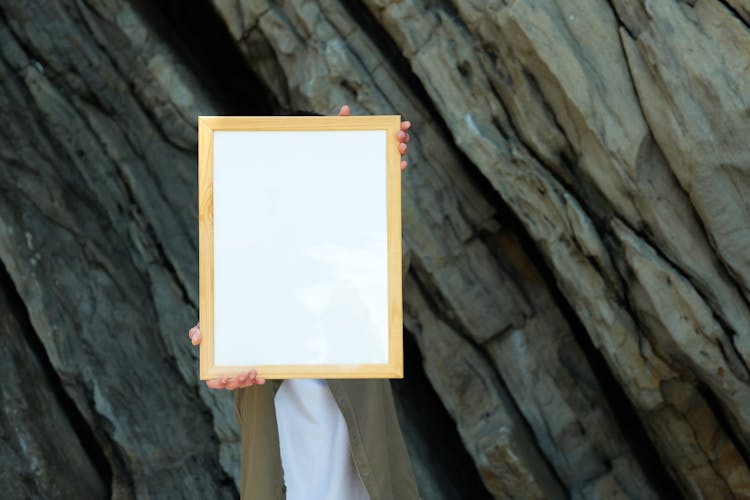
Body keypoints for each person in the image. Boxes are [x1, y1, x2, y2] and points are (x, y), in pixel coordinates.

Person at [188, 105, 420, 499]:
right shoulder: (246, 287)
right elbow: (224, 346)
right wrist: (219, 359)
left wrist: (365, 178)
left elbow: (389, 259)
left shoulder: (355, 280)